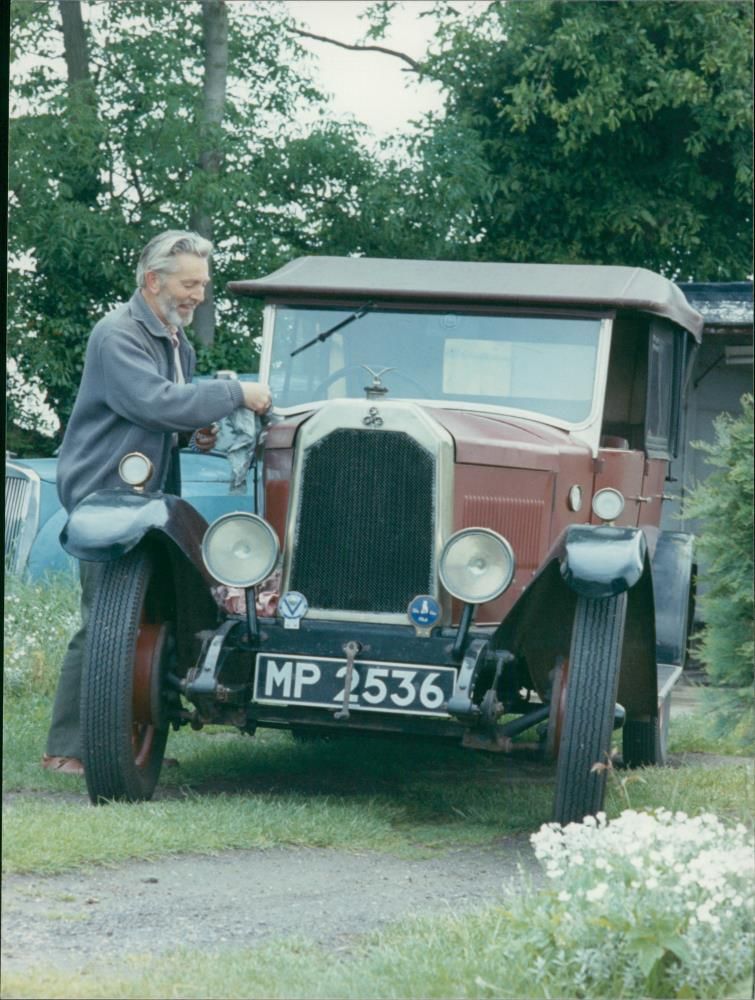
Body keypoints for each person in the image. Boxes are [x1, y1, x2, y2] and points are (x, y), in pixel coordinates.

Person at [42, 229, 271, 775]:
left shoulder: (175, 340)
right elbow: (152, 402)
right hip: (106, 497)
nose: (199, 295)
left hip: (144, 501)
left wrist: (195, 434)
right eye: (190, 284)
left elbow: (164, 417)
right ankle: (67, 748)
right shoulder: (116, 334)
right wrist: (236, 393)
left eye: (203, 285)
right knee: (105, 622)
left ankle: (121, 747)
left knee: (143, 621)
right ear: (153, 280)